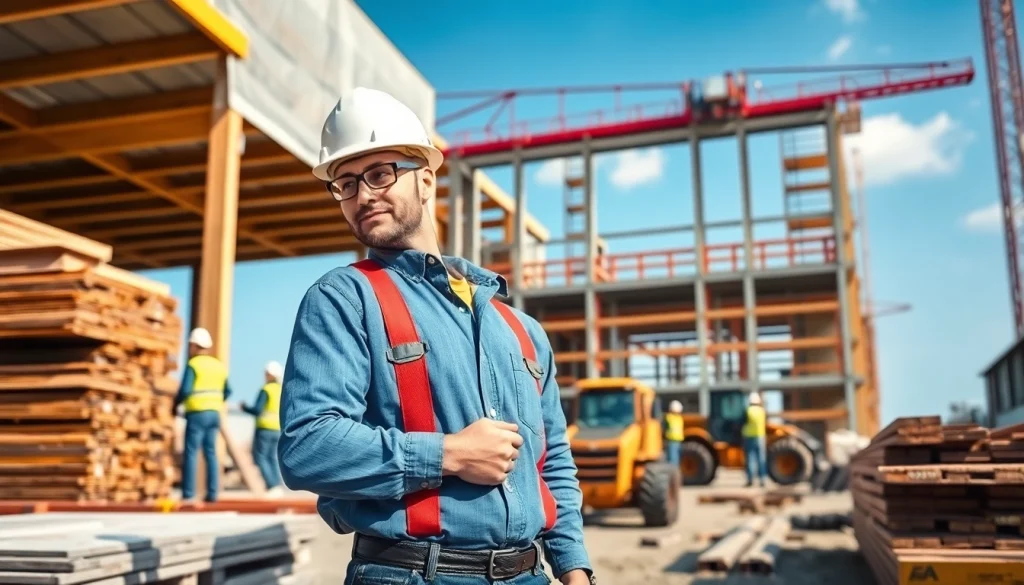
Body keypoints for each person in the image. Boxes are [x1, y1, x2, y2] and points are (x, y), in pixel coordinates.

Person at [278, 87, 594, 585]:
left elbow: (551, 458)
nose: (362, 195)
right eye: (345, 183)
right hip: (410, 572)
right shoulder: (344, 298)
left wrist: (574, 565)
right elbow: (307, 446)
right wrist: (450, 454)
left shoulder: (521, 331)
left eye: (380, 174)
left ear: (425, 180)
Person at [174, 327, 231, 503]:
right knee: (211, 453)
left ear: (193, 345)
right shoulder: (218, 365)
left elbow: (185, 389)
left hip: (197, 414)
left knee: (191, 452)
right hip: (214, 414)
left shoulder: (193, 365)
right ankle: (212, 493)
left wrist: (175, 405)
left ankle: (189, 494)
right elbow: (227, 390)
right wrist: (215, 402)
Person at [240, 360, 285, 497]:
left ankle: (271, 486)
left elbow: (257, 410)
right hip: (277, 429)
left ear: (270, 375)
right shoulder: (281, 390)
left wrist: (244, 408)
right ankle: (277, 485)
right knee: (272, 458)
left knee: (261, 458)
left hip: (264, 428)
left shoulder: (266, 389)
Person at [742, 391, 767, 488]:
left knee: (750, 458)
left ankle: (750, 480)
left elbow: (743, 423)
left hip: (749, 437)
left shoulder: (748, 410)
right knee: (761, 458)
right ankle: (762, 480)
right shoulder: (762, 411)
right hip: (760, 436)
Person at [663, 400, 684, 466]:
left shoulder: (678, 418)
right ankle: (672, 473)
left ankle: (674, 473)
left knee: (676, 460)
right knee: (672, 460)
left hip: (678, 441)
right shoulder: (669, 417)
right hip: (671, 441)